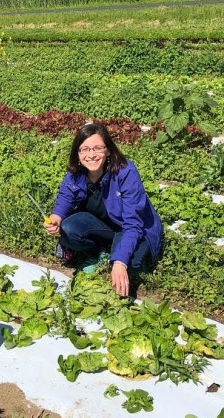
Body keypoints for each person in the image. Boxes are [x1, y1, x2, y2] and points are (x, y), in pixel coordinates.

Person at [44, 122, 163, 297]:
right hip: (105, 226)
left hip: (133, 228)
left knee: (131, 265)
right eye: (84, 149)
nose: (91, 155)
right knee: (68, 228)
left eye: (97, 148)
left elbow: (132, 223)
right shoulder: (76, 173)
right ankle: (98, 253)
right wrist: (56, 218)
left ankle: (117, 254)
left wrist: (120, 262)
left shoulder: (125, 172)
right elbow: (65, 198)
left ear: (107, 150)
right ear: (77, 154)